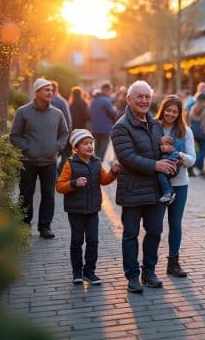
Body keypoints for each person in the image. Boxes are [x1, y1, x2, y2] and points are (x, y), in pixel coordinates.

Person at [111, 80, 175, 293]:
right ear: (129, 99)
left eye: (147, 96)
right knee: (130, 234)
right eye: (140, 96)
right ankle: (132, 277)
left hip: (155, 190)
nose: (144, 100)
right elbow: (127, 157)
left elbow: (160, 152)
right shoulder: (121, 127)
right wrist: (156, 165)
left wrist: (171, 161)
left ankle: (149, 272)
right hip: (132, 189)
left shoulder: (156, 125)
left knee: (155, 232)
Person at [56, 129, 120, 285]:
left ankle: (89, 272)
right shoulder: (70, 164)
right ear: (76, 147)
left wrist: (113, 172)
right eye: (85, 144)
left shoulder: (97, 162)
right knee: (77, 241)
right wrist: (74, 183)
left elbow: (104, 180)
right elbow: (59, 186)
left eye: (91, 143)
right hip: (75, 210)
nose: (90, 146)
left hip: (92, 210)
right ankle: (77, 272)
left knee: (93, 240)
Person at [10, 78, 69, 238]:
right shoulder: (23, 112)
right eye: (46, 90)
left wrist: (56, 147)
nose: (50, 92)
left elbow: (64, 133)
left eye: (51, 90)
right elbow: (14, 136)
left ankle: (45, 227)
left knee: (49, 194)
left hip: (49, 162)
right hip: (28, 162)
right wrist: (28, 148)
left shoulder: (57, 113)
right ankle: (24, 225)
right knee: (26, 194)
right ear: (37, 92)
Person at [156, 95, 196, 278]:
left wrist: (180, 156)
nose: (171, 114)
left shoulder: (185, 131)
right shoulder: (155, 128)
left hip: (179, 184)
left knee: (175, 224)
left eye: (175, 111)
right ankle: (150, 267)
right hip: (156, 183)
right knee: (155, 226)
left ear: (180, 113)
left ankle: (173, 263)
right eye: (168, 110)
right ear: (163, 109)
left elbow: (192, 159)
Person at [90, 82, 119, 159]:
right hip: (105, 129)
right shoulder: (106, 100)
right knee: (103, 149)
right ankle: (98, 164)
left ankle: (94, 163)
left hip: (95, 128)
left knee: (96, 147)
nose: (110, 92)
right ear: (106, 90)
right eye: (110, 90)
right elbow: (113, 114)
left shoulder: (93, 100)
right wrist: (115, 109)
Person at [51, 81, 73, 175]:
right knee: (65, 154)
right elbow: (68, 119)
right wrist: (68, 132)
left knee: (51, 154)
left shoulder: (43, 101)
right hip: (61, 132)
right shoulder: (61, 101)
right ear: (57, 89)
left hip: (49, 133)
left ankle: (52, 172)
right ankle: (59, 172)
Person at [157, 136, 180, 205]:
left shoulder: (175, 153)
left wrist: (159, 162)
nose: (163, 147)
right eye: (161, 145)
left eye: (166, 144)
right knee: (165, 178)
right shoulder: (163, 154)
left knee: (161, 174)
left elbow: (169, 161)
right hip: (166, 169)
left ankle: (167, 193)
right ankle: (171, 193)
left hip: (172, 170)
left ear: (172, 146)